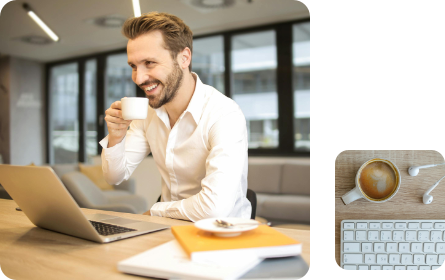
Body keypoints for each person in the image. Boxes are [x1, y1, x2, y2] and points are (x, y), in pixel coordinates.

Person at [99, 11, 251, 222]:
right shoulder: (148, 113)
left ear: (184, 58)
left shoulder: (224, 114)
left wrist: (156, 211)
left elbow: (214, 208)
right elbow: (114, 176)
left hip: (222, 235)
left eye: (149, 63)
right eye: (133, 66)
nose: (139, 78)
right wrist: (116, 136)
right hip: (168, 231)